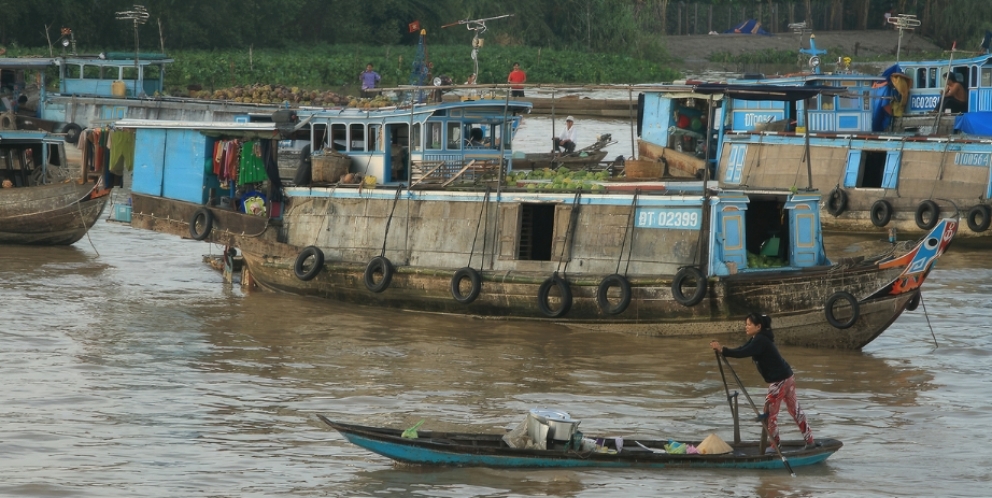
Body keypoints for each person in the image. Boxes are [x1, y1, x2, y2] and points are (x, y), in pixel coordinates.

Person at [710, 313, 816, 452]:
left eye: (749, 324)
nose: (746, 327)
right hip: (788, 377)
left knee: (768, 414)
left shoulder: (761, 340)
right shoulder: (758, 338)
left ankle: (775, 445)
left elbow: (743, 352)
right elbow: (742, 349)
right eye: (746, 324)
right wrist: (723, 350)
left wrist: (723, 350)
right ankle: (810, 441)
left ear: (758, 326)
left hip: (779, 381)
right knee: (795, 410)